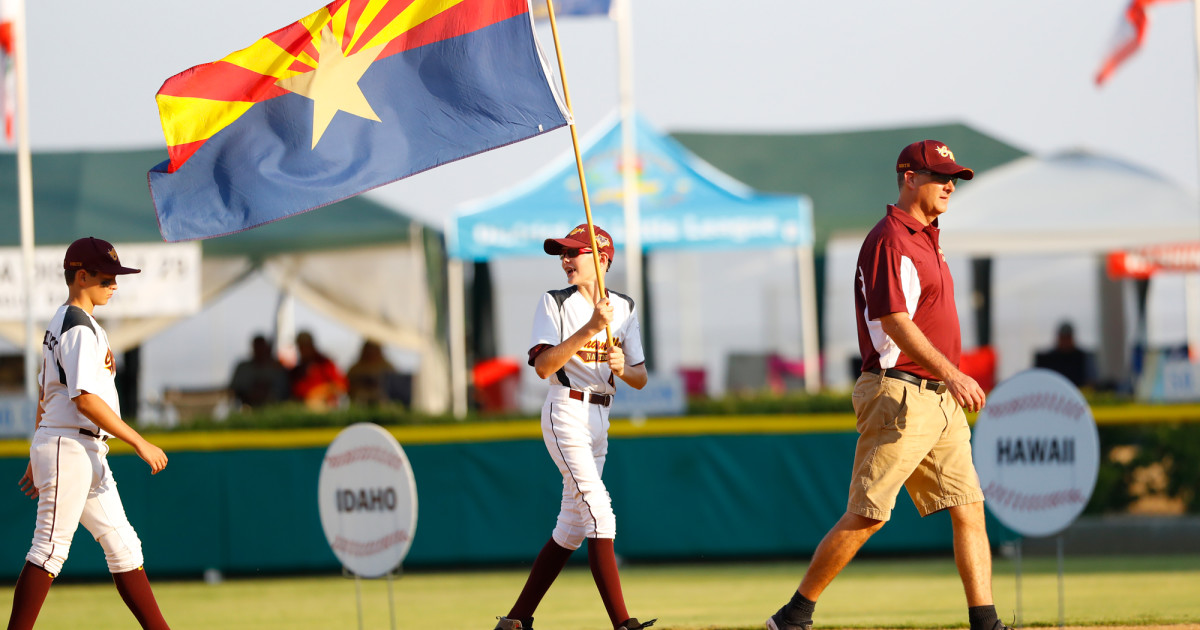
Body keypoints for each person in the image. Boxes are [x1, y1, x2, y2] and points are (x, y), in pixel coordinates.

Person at [765, 142, 1010, 630]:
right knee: (869, 513)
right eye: (939, 175)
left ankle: (986, 623)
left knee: (969, 509)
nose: (949, 185)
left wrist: (947, 380)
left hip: (938, 399)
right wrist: (953, 372)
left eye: (954, 177)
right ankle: (793, 615)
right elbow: (895, 321)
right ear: (907, 177)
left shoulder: (927, 236)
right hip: (900, 393)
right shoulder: (890, 239)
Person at [493, 225, 655, 630]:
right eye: (562, 254)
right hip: (565, 409)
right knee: (599, 513)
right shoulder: (554, 303)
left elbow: (641, 376)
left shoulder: (624, 306)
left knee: (570, 528)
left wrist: (624, 368)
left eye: (573, 253)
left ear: (601, 260)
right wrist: (589, 328)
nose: (565, 261)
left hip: (601, 414)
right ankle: (623, 624)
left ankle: (514, 621)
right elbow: (544, 366)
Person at [8, 237, 171, 630]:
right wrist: (139, 440)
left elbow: (47, 396)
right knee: (48, 550)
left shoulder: (65, 320)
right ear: (81, 276)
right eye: (106, 277)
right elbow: (83, 400)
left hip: (75, 445)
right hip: (70, 444)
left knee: (123, 545)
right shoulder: (78, 328)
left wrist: (36, 450)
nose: (114, 284)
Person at [289, 330, 347, 410]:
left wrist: (318, 393)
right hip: (301, 406)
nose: (301, 349)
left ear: (311, 345)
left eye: (304, 345)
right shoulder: (298, 368)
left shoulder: (324, 363)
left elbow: (340, 385)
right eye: (300, 346)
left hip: (324, 405)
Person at [229, 334, 289, 409]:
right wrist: (250, 395)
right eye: (257, 347)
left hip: (272, 409)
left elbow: (283, 392)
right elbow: (234, 391)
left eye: (262, 347)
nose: (260, 350)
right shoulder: (243, 368)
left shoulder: (276, 368)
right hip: (247, 409)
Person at [346, 339, 411, 408]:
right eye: (369, 350)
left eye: (373, 350)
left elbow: (396, 387)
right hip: (359, 403)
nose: (371, 352)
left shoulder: (387, 367)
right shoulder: (355, 368)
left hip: (382, 403)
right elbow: (348, 386)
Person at [1034, 321, 1093, 388]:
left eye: (1067, 338)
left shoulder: (1083, 357)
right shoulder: (1045, 359)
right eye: (1063, 338)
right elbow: (1038, 381)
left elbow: (1091, 382)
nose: (1065, 341)